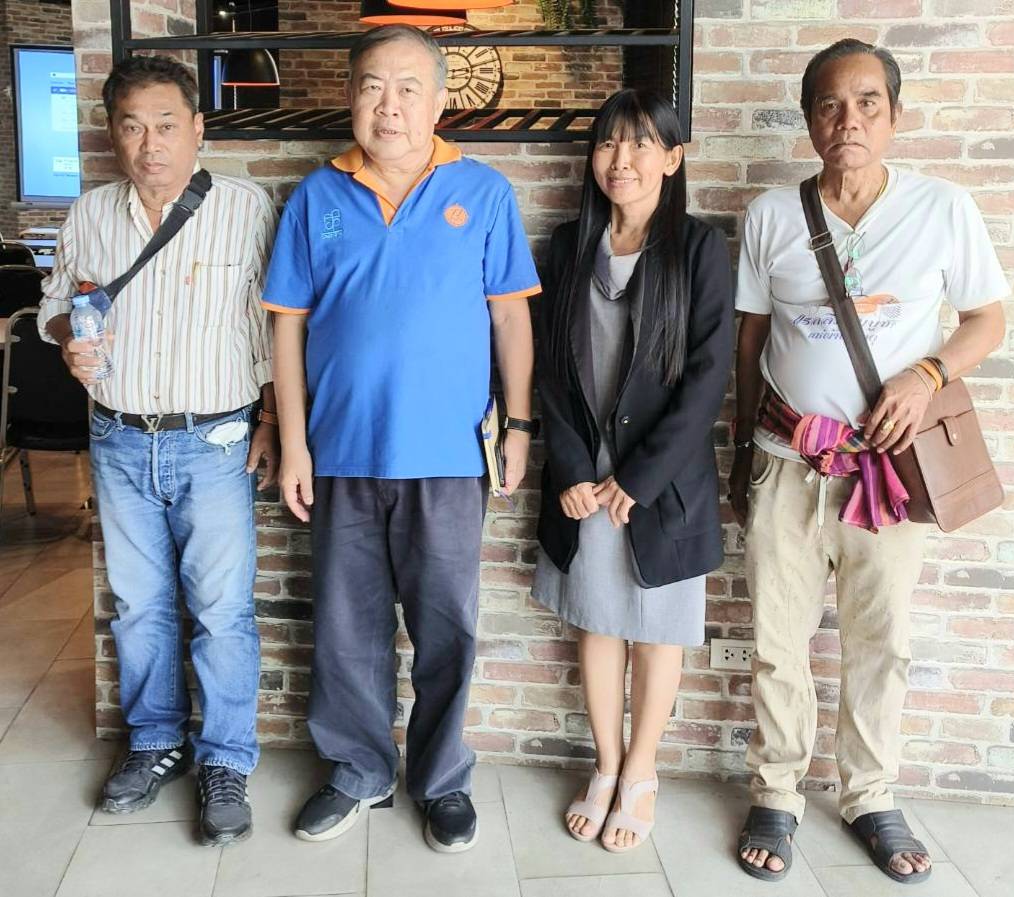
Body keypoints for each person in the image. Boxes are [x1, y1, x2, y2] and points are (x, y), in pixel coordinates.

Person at [730, 39, 1008, 884]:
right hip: (784, 460)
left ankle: (869, 794)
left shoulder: (941, 207)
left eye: (865, 104)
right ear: (809, 118)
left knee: (879, 639)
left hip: (888, 475)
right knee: (775, 642)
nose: (846, 120)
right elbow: (750, 338)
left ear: (894, 115)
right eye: (828, 104)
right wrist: (740, 452)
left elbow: (986, 320)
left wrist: (927, 376)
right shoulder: (770, 215)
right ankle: (776, 791)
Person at [264, 24, 538, 853]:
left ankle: (442, 779)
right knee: (345, 628)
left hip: (449, 456)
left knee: (445, 625)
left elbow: (509, 318)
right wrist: (293, 443)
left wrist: (519, 423)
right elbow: (286, 328)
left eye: (408, 88)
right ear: (350, 97)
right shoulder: (316, 196)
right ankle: (357, 770)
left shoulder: (482, 192)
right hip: (339, 451)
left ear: (439, 101)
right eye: (372, 87)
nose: (389, 106)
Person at [39, 55, 279, 845]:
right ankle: (153, 741)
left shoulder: (245, 207)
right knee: (139, 606)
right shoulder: (90, 213)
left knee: (220, 610)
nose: (151, 145)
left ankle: (226, 759)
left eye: (167, 125)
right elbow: (54, 306)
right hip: (116, 438)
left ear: (198, 128)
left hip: (215, 440)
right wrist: (66, 338)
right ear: (113, 133)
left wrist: (274, 420)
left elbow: (277, 324)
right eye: (133, 127)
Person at [533, 88, 733, 853]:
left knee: (655, 631)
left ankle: (642, 771)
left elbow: (708, 378)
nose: (620, 159)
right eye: (608, 143)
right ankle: (606, 763)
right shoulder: (567, 245)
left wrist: (639, 478)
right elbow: (549, 371)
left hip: (663, 478)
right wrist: (570, 467)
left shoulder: (698, 249)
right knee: (596, 621)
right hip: (586, 475)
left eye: (641, 143)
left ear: (672, 158)